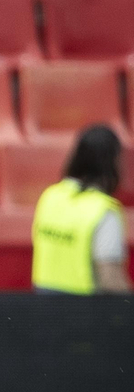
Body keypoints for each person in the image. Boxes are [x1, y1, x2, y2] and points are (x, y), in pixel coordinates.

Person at [32, 125, 130, 295]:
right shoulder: (103, 210)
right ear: (112, 162)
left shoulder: (50, 196)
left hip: (44, 307)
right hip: (85, 312)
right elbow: (110, 279)